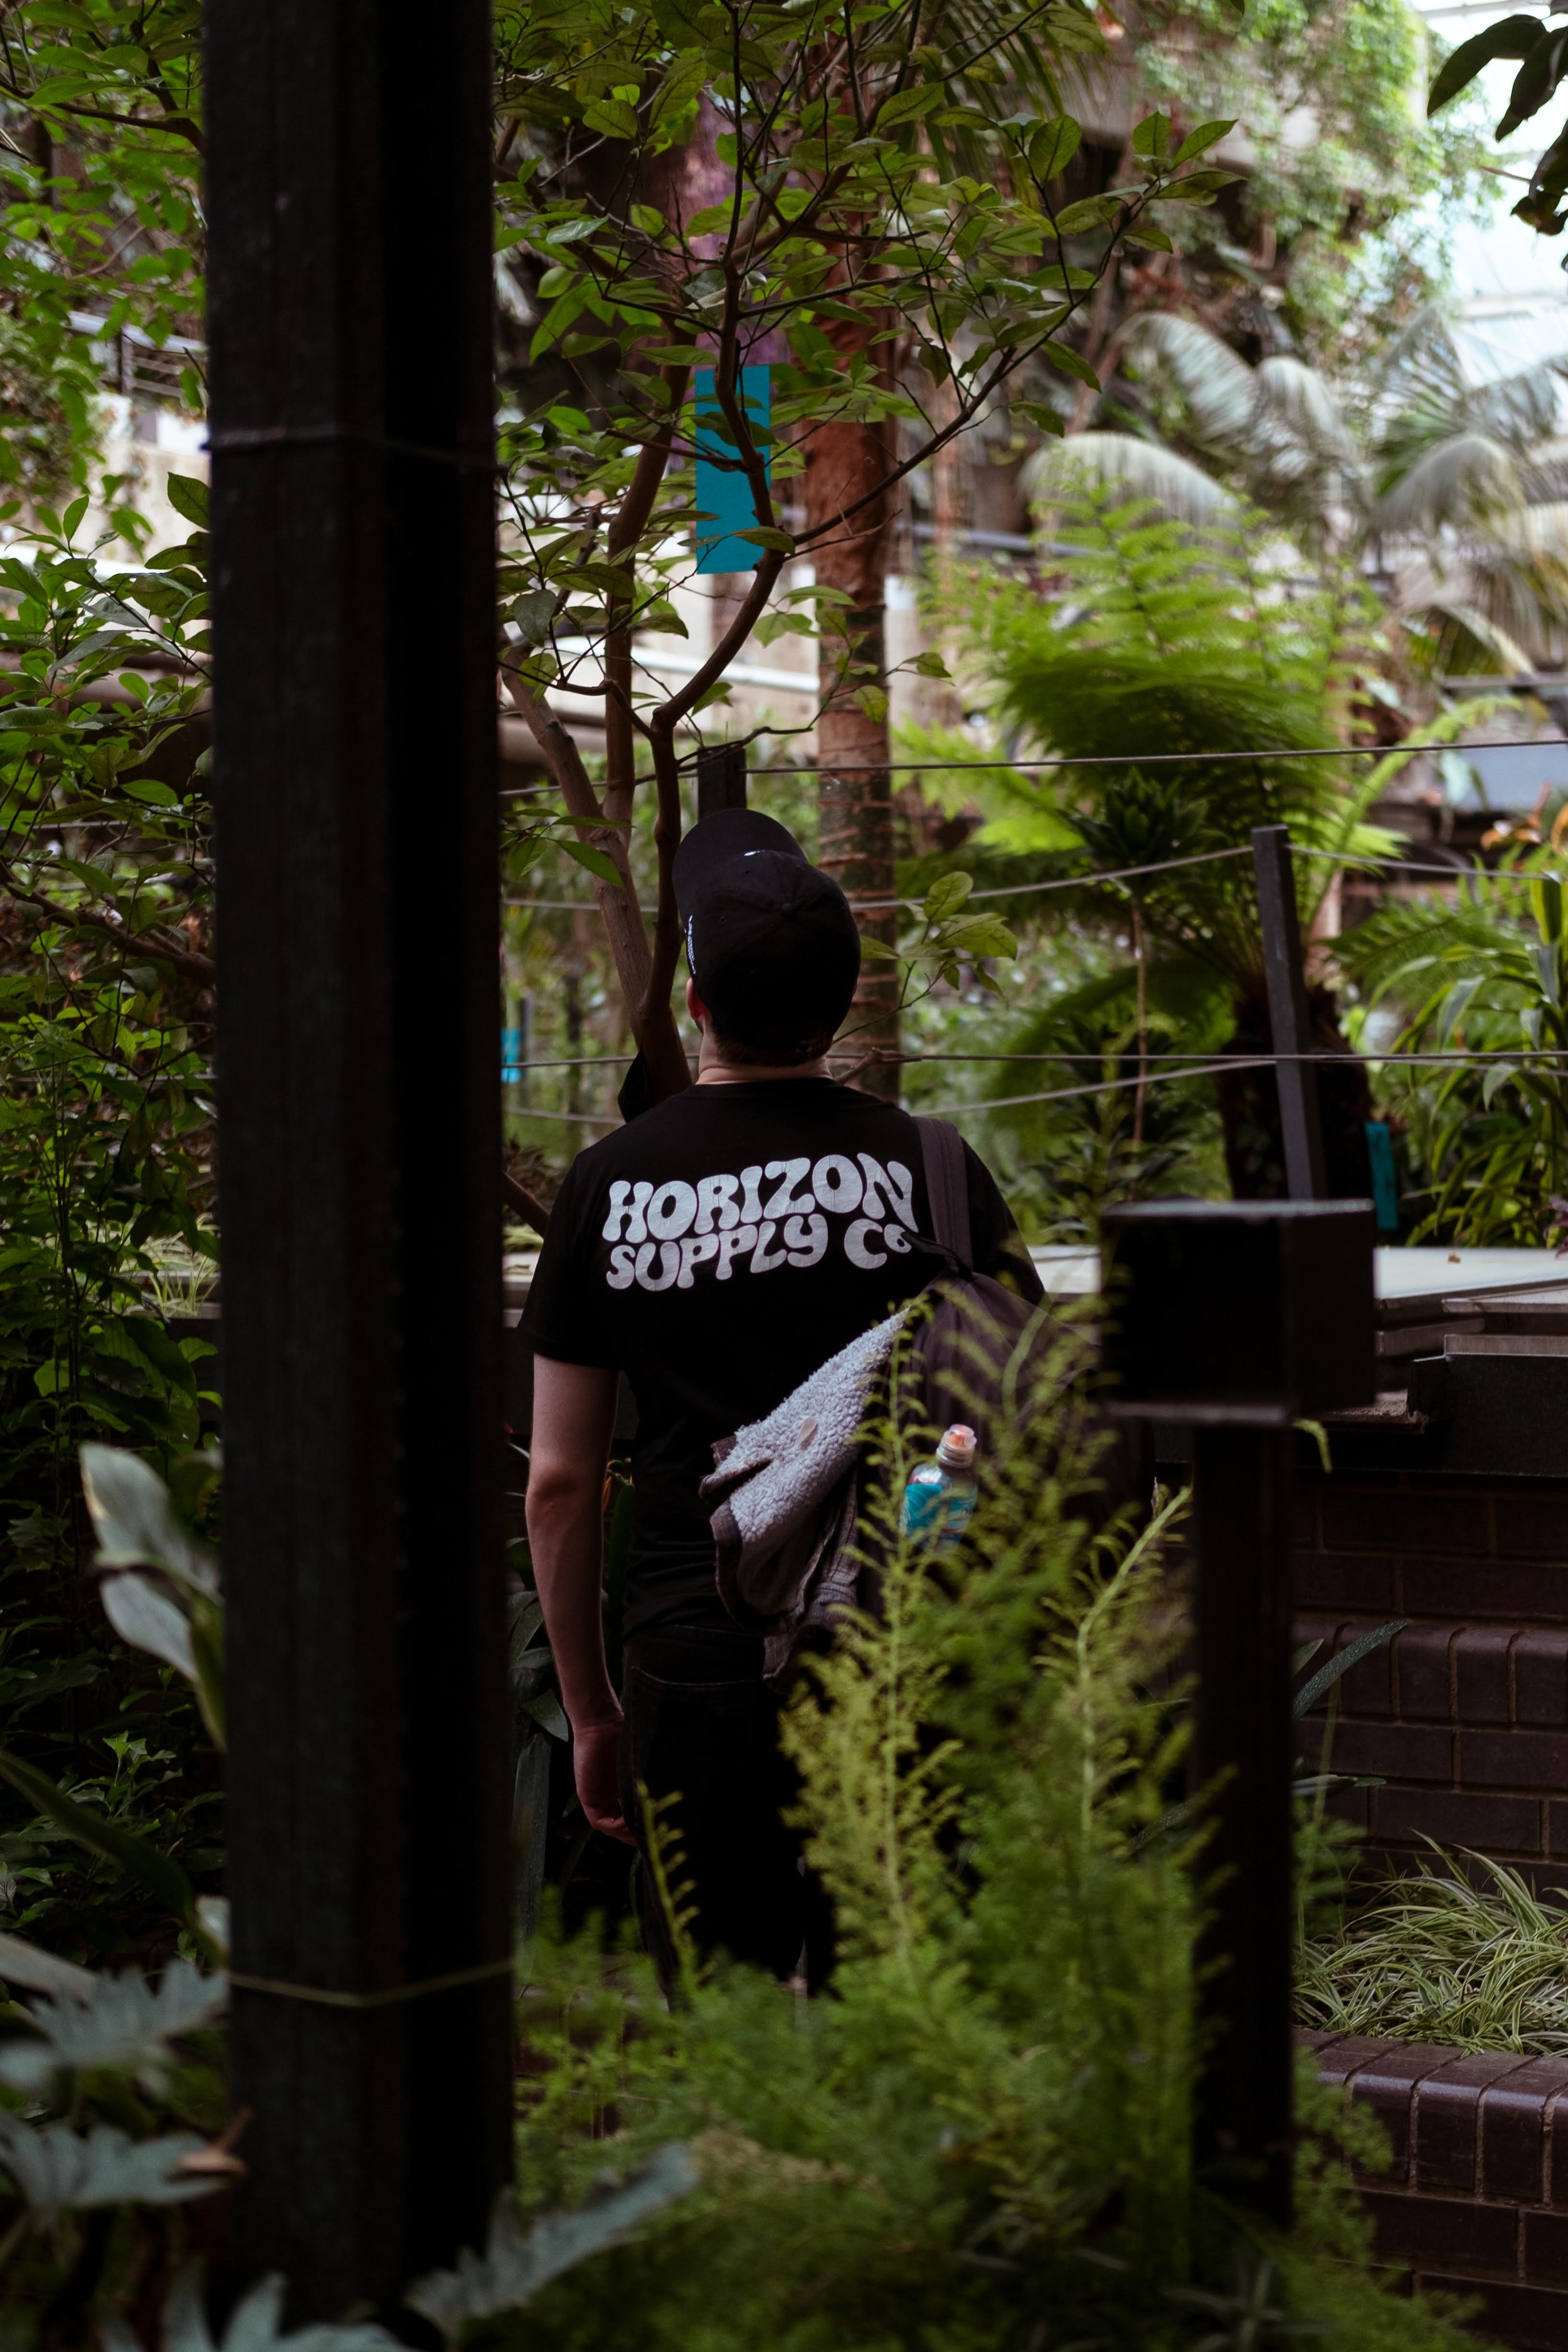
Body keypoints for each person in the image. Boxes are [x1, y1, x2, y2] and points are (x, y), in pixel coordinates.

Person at [521, 807, 1042, 1983]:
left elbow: (558, 1484)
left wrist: (593, 1711)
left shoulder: (609, 1184)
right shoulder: (938, 1169)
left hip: (689, 1652)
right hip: (899, 1646)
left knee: (732, 2037)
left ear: (695, 1005)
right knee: (905, 2018)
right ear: (846, 1005)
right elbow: (995, 1423)